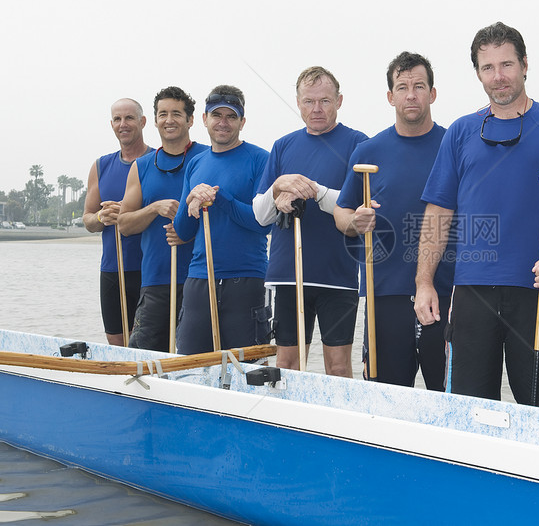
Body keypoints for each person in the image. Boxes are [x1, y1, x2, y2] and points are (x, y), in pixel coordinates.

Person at [414, 22, 539, 409]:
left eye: (507, 64)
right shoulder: (460, 132)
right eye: (488, 67)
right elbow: (438, 213)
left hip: (536, 290)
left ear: (525, 65)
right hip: (471, 291)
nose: (499, 76)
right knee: (467, 409)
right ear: (477, 72)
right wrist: (425, 281)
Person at [335, 52, 453, 389]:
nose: (411, 95)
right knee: (386, 398)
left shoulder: (453, 145)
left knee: (448, 397)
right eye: (402, 87)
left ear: (433, 93)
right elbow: (341, 214)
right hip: (384, 294)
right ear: (390, 97)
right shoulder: (368, 151)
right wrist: (355, 221)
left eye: (419, 86)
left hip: (444, 293)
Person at [253, 67, 367, 378]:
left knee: (339, 367)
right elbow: (261, 215)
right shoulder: (282, 146)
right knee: (288, 366)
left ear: (339, 101)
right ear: (298, 102)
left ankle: (338, 427)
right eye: (308, 101)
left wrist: (313, 191)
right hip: (290, 275)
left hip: (338, 275)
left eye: (325, 101)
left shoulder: (359, 143)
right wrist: (278, 189)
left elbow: (359, 207)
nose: (316, 109)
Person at [172, 85, 272, 354]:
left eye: (231, 116)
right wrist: (192, 196)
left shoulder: (261, 160)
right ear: (204, 119)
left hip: (246, 279)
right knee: (190, 367)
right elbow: (182, 230)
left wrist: (221, 198)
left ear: (242, 122)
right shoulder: (194, 164)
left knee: (247, 371)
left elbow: (263, 222)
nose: (223, 123)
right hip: (199, 279)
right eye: (217, 115)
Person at [118, 87, 209, 351]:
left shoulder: (208, 158)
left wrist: (187, 230)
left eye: (177, 114)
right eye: (163, 114)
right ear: (155, 120)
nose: (169, 120)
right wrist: (153, 208)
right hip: (156, 281)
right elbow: (124, 225)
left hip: (200, 280)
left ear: (190, 120)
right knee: (139, 360)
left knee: (196, 360)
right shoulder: (142, 166)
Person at [82, 98, 152, 346]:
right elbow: (88, 219)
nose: (123, 124)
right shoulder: (101, 166)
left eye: (129, 118)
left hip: (151, 270)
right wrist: (102, 217)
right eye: (117, 119)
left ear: (142, 122)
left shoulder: (157, 161)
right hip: (113, 269)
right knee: (116, 342)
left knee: (150, 344)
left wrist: (133, 212)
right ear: (111, 124)